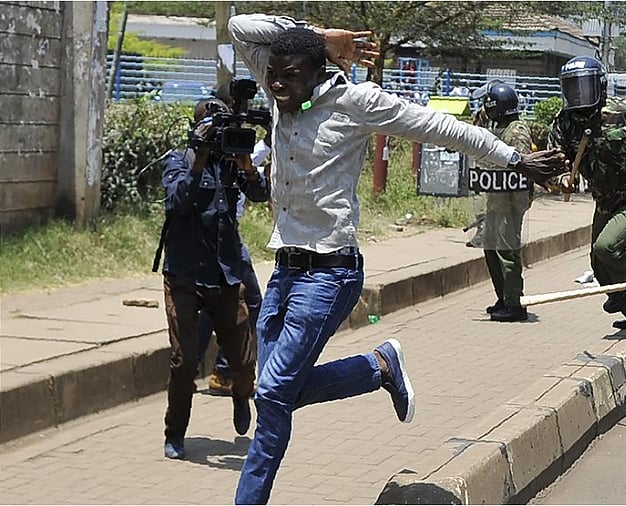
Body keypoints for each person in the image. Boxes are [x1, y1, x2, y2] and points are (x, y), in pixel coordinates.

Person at [228, 15, 569, 504]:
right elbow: (241, 26)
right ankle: (378, 368)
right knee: (277, 390)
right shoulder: (281, 90)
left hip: (330, 273)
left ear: (319, 73)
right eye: (273, 75)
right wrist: (322, 35)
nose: (277, 85)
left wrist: (514, 160)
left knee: (274, 392)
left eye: (290, 76)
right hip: (284, 270)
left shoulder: (356, 102)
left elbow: (441, 127)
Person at [156, 97, 271, 460]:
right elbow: (177, 203)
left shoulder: (230, 163)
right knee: (184, 360)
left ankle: (240, 395)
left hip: (225, 274)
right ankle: (175, 432)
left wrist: (248, 167)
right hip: (184, 274)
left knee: (244, 361)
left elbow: (261, 194)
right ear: (197, 129)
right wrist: (199, 158)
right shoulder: (179, 160)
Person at [548, 55, 626, 330]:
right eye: (572, 87)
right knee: (598, 263)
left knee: (607, 247)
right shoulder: (564, 123)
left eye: (583, 87)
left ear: (599, 85)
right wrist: (562, 180)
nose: (578, 94)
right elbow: (554, 162)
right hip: (605, 200)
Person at [471, 80, 534, 322]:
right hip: (496, 196)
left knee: (507, 250)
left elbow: (519, 164)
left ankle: (515, 303)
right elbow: (476, 131)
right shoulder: (498, 126)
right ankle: (503, 297)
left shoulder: (516, 131)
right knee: (490, 248)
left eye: (488, 105)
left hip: (511, 200)